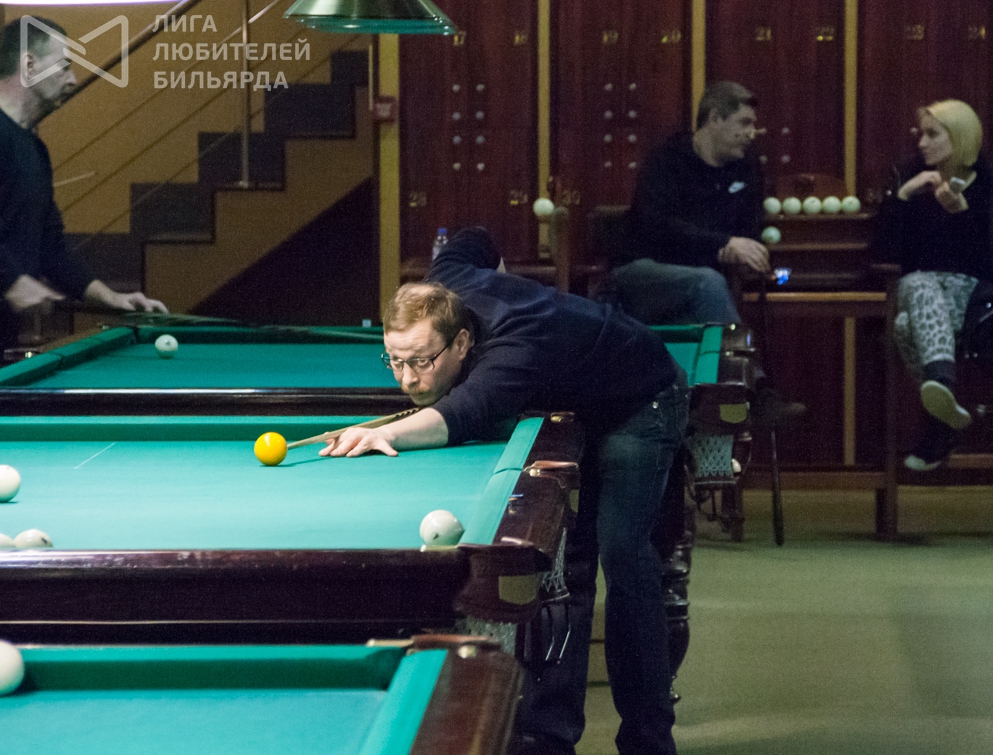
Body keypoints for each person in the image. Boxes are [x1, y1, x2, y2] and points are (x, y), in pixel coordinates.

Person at [321, 227, 689, 755]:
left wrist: (386, 434)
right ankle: (550, 739)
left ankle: (648, 741)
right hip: (580, 399)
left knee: (623, 556)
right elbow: (474, 237)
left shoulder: (514, 350)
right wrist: (505, 281)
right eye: (395, 361)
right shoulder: (444, 281)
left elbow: (460, 415)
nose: (407, 379)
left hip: (641, 397)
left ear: (462, 343)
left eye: (422, 361)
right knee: (569, 567)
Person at [612, 80, 803, 426]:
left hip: (705, 280)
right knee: (706, 283)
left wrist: (744, 251)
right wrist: (722, 245)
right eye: (744, 123)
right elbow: (657, 227)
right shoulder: (669, 160)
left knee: (708, 293)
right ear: (714, 119)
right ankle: (754, 391)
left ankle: (717, 413)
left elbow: (749, 228)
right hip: (642, 273)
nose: (752, 133)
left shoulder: (746, 165)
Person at [0, 17, 166, 353]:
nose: (73, 79)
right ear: (29, 66)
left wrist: (110, 298)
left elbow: (51, 248)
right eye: (64, 67)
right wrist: (11, 281)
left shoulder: (35, 150)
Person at [874, 99, 993, 470]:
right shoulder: (911, 176)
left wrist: (962, 214)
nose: (922, 143)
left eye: (933, 134)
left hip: (978, 302)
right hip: (919, 295)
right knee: (916, 290)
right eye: (921, 134)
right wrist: (903, 196)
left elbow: (991, 261)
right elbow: (883, 254)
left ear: (959, 137)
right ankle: (941, 385)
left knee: (906, 319)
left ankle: (940, 421)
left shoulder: (991, 182)